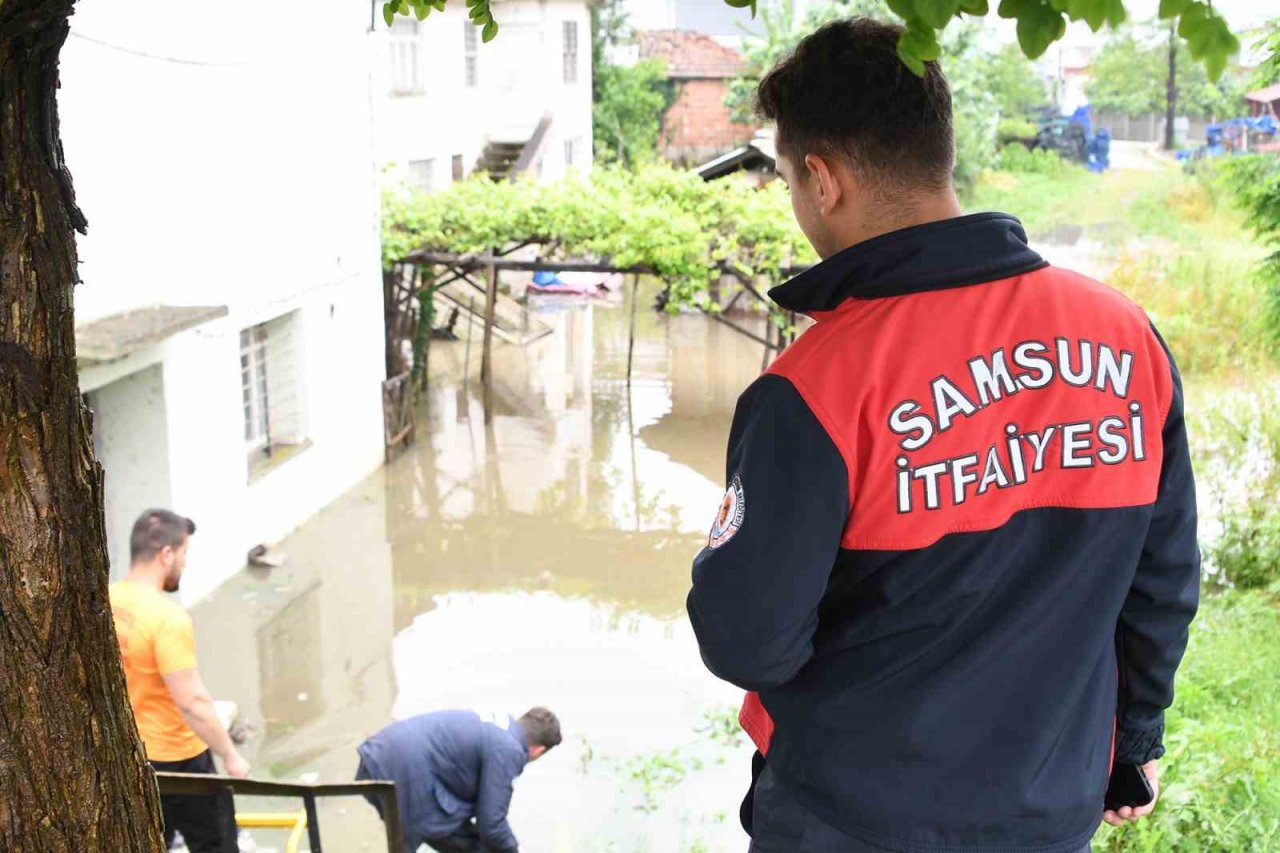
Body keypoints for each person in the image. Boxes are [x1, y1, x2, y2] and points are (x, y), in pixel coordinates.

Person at [687, 18, 1199, 853]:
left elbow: (748, 640)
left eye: (786, 177)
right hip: (1050, 810)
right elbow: (1163, 574)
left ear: (822, 178)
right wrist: (1137, 736)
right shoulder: (1126, 337)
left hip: (850, 821)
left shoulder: (816, 386)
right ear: (938, 148)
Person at [110, 509, 251, 853]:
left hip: (131, 754)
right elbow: (192, 703)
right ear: (167, 554)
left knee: (153, 840)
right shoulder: (167, 617)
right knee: (216, 844)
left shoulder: (107, 600)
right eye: (185, 553)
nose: (185, 564)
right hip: (180, 759)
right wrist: (231, 756)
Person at [356, 707, 561, 853]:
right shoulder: (510, 750)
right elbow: (491, 824)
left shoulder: (499, 725)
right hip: (407, 775)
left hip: (376, 758)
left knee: (464, 840)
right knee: (480, 847)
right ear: (538, 750)